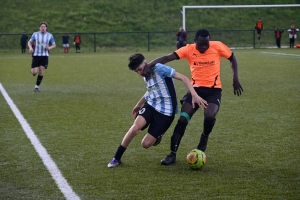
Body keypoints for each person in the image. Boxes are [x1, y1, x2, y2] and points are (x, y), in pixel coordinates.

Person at [142, 29, 243, 165]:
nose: (204, 47)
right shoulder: (188, 49)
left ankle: (204, 137)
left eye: (206, 44)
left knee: (210, 115)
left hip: (213, 91)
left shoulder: (217, 46)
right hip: (195, 90)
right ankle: (172, 154)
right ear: (195, 42)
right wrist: (149, 65)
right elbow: (167, 58)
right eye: (200, 44)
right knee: (183, 119)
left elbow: (232, 57)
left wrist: (235, 78)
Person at [107, 53, 208, 168]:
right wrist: (138, 104)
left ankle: (159, 135)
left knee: (145, 144)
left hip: (166, 112)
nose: (140, 73)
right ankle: (117, 158)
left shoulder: (159, 68)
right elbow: (151, 90)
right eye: (137, 72)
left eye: (140, 69)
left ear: (146, 63)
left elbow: (183, 78)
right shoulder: (146, 75)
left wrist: (194, 95)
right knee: (135, 128)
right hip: (151, 105)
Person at [28, 22, 56, 92]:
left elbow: (54, 44)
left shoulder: (50, 35)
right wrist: (30, 48)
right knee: (34, 72)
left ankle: (36, 87)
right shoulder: (35, 34)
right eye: (41, 27)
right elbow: (29, 42)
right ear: (39, 28)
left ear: (46, 28)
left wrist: (49, 48)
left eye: (44, 27)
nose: (43, 28)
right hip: (36, 55)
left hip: (44, 55)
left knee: (41, 69)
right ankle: (32, 70)